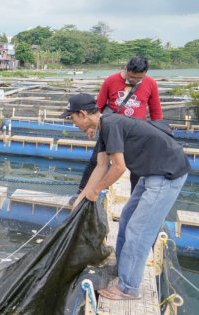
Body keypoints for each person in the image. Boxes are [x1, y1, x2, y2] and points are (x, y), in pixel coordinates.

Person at [65, 93, 189, 300]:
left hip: (166, 174)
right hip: (151, 172)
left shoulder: (111, 124)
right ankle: (123, 268)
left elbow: (119, 168)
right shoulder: (105, 127)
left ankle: (129, 287)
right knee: (126, 219)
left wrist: (97, 191)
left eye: (72, 117)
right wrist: (82, 197)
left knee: (138, 231)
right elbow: (101, 166)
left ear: (83, 114)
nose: (73, 122)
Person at [78, 56, 163, 194]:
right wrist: (91, 126)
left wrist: (160, 133)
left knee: (138, 169)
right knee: (96, 161)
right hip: (110, 129)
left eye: (139, 78)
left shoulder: (151, 84)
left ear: (145, 73)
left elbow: (156, 111)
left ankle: (135, 199)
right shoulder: (111, 80)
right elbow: (98, 106)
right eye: (132, 77)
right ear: (125, 69)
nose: (135, 80)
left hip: (135, 134)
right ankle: (81, 192)